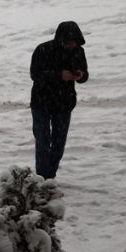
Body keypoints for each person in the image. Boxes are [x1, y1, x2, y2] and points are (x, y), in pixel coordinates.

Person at [30, 21, 88, 180]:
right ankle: (42, 179)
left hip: (64, 103)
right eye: (67, 42)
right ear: (60, 39)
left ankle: (49, 177)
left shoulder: (78, 52)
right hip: (41, 101)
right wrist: (59, 75)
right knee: (42, 141)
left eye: (73, 42)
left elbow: (85, 75)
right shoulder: (43, 49)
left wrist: (80, 75)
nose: (70, 46)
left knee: (58, 143)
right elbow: (35, 74)